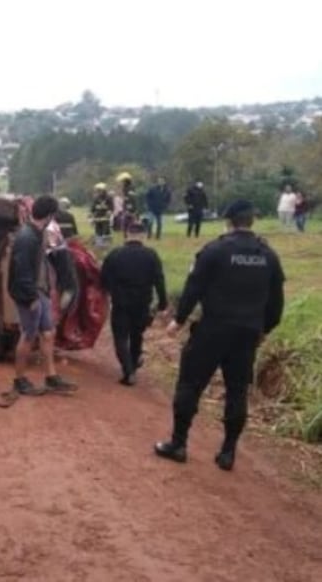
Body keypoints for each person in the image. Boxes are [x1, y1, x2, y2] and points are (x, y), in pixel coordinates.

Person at [155, 200, 285, 471]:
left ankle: (178, 444)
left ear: (228, 221)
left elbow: (194, 288)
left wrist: (179, 320)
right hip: (247, 334)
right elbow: (276, 302)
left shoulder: (214, 251)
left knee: (190, 384)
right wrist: (264, 329)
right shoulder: (269, 256)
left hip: (213, 329)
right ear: (251, 221)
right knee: (237, 391)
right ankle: (228, 452)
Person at [8, 195, 79, 395]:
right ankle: (19, 380)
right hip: (30, 294)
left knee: (48, 333)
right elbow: (22, 271)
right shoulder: (27, 238)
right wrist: (30, 298)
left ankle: (51, 377)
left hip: (41, 291)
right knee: (28, 335)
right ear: (48, 216)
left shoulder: (38, 234)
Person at [100, 221, 168, 386]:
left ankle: (128, 370)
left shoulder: (115, 254)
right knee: (137, 335)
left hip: (121, 302)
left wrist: (112, 291)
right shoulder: (151, 255)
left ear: (127, 234)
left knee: (120, 337)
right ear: (143, 235)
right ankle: (133, 365)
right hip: (142, 302)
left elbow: (103, 278)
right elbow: (159, 280)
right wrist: (162, 302)